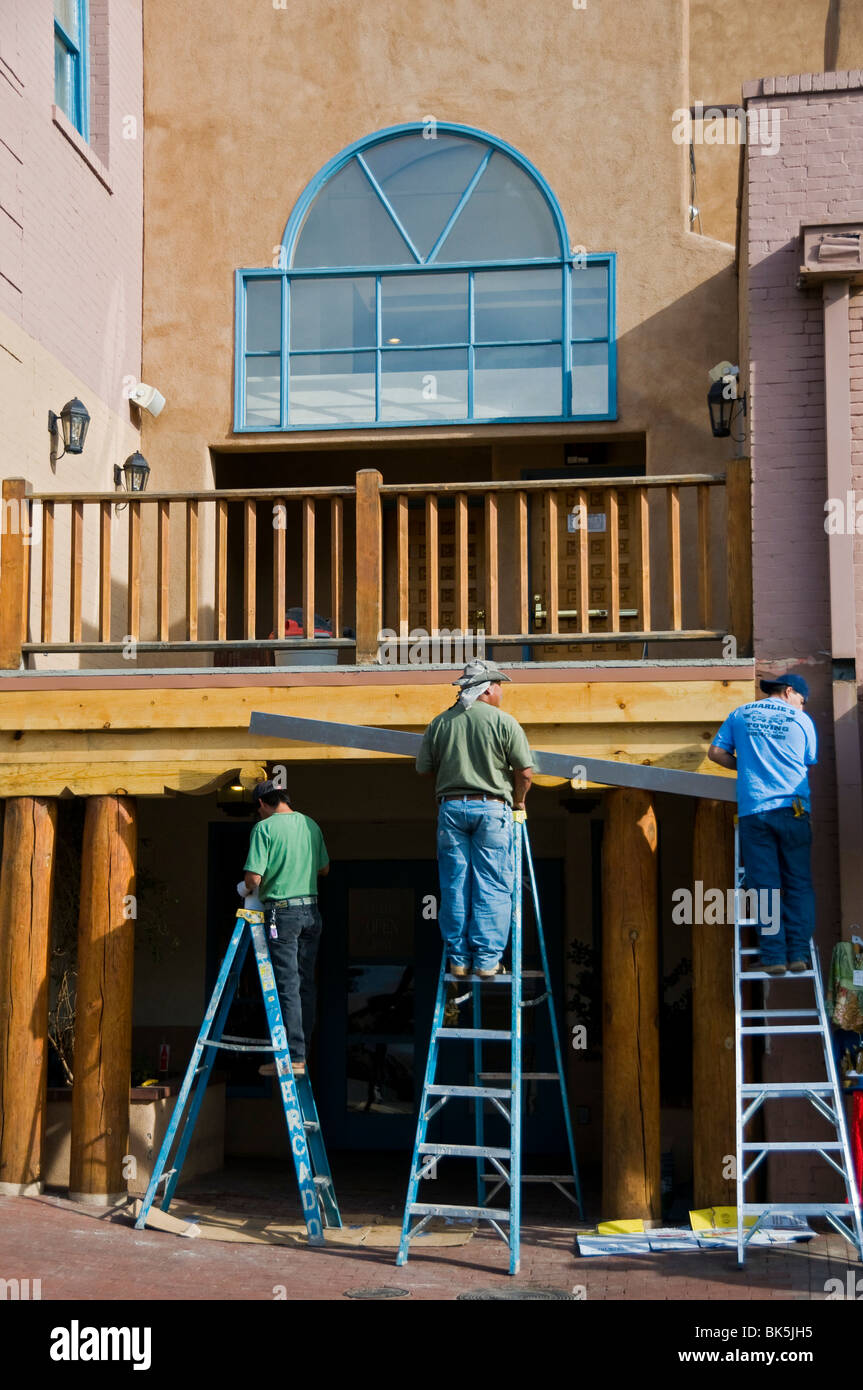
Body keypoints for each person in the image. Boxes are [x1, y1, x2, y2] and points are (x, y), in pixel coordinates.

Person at [417, 659, 533, 978]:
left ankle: (458, 958)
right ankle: (486, 960)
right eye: (498, 686)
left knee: (455, 884)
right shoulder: (503, 722)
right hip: (493, 807)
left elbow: (425, 768)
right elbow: (524, 772)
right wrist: (519, 802)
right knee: (493, 883)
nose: (500, 691)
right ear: (487, 689)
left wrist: (453, 777)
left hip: (451, 808)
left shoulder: (440, 723)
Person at [708, 674, 817, 976]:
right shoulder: (801, 720)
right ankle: (797, 954)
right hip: (794, 810)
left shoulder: (741, 713)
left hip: (755, 811)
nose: (803, 707)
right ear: (790, 692)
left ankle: (774, 956)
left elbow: (715, 753)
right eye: (802, 700)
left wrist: (746, 766)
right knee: (799, 884)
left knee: (764, 886)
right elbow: (807, 761)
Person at [239, 780, 329, 1075]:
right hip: (311, 912)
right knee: (305, 984)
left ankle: (293, 1057)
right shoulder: (310, 824)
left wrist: (247, 886)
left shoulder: (264, 829)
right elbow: (324, 869)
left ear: (263, 803)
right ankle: (304, 1055)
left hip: (282, 913)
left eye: (259, 809)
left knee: (287, 984)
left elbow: (253, 879)